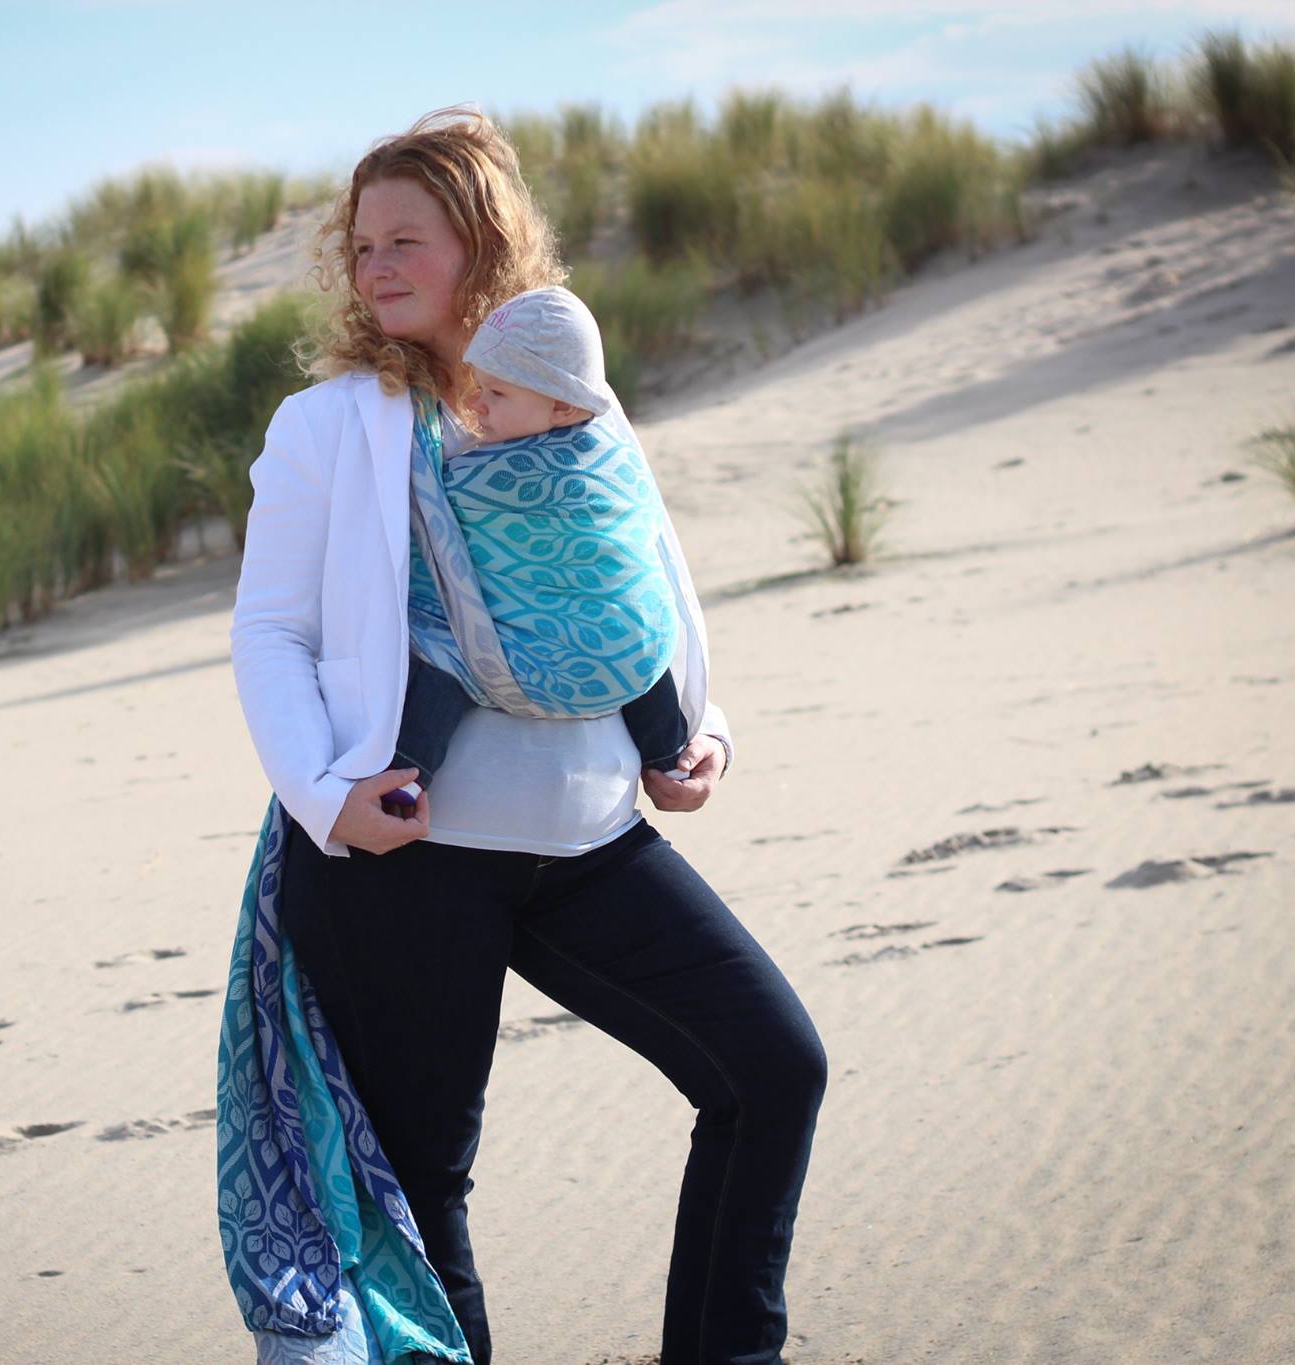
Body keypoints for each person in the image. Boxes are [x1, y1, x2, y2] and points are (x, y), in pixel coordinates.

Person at [225, 107, 827, 1365]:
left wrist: (698, 734)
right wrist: (323, 797)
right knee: (423, 1186)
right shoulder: (328, 424)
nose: (375, 265)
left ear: (482, 241)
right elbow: (271, 629)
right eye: (361, 245)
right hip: (405, 860)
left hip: (587, 842)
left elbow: (637, 580)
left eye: (406, 239)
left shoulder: (568, 397)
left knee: (770, 1069)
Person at [381, 283, 691, 818]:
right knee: (635, 629)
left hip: (548, 664)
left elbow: (433, 514)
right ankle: (667, 756)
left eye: (497, 394)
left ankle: (405, 780)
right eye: (479, 387)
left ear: (564, 405)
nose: (475, 403)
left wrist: (424, 454)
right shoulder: (613, 450)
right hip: (632, 659)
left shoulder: (489, 479)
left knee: (445, 657)